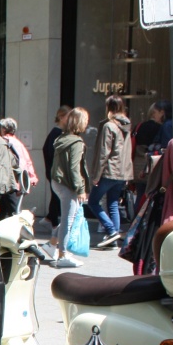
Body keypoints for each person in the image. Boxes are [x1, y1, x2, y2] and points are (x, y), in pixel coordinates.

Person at [85, 94, 133, 248]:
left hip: (109, 171)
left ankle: (111, 231)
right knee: (112, 203)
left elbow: (104, 152)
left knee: (93, 201)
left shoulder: (109, 126)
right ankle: (114, 235)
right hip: (121, 171)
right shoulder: (126, 125)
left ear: (109, 108)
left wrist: (96, 175)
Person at [49, 107, 90, 268]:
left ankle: (52, 244)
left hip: (58, 182)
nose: (87, 123)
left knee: (68, 217)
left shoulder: (63, 138)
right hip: (68, 184)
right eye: (86, 120)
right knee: (68, 219)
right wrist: (80, 189)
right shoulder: (76, 142)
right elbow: (74, 168)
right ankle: (62, 253)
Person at [42, 105, 70, 230]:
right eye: (69, 117)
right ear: (62, 117)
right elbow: (49, 152)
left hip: (53, 170)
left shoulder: (57, 133)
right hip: (55, 171)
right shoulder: (57, 133)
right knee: (58, 196)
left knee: (56, 195)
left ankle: (51, 217)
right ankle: (53, 222)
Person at [0, 117, 37, 193]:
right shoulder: (19, 143)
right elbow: (28, 161)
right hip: (20, 180)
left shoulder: (2, 142)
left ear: (3, 129)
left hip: (8, 181)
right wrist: (32, 177)